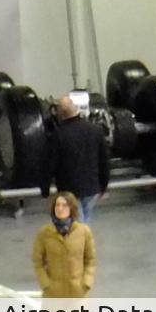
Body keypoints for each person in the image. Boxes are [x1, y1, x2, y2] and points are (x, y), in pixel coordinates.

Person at [50, 94, 109, 226]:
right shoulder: (96, 130)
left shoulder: (58, 136)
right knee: (84, 220)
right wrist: (103, 186)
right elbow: (104, 161)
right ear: (76, 109)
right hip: (92, 188)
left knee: (78, 224)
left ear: (60, 114)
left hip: (69, 189)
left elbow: (50, 164)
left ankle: (81, 244)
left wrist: (44, 188)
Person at [32, 191, 97, 299]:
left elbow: (90, 259)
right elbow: (37, 261)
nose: (60, 208)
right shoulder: (44, 233)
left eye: (64, 205)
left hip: (78, 293)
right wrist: (45, 284)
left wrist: (86, 282)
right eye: (57, 205)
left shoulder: (84, 231)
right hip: (54, 294)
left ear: (72, 208)